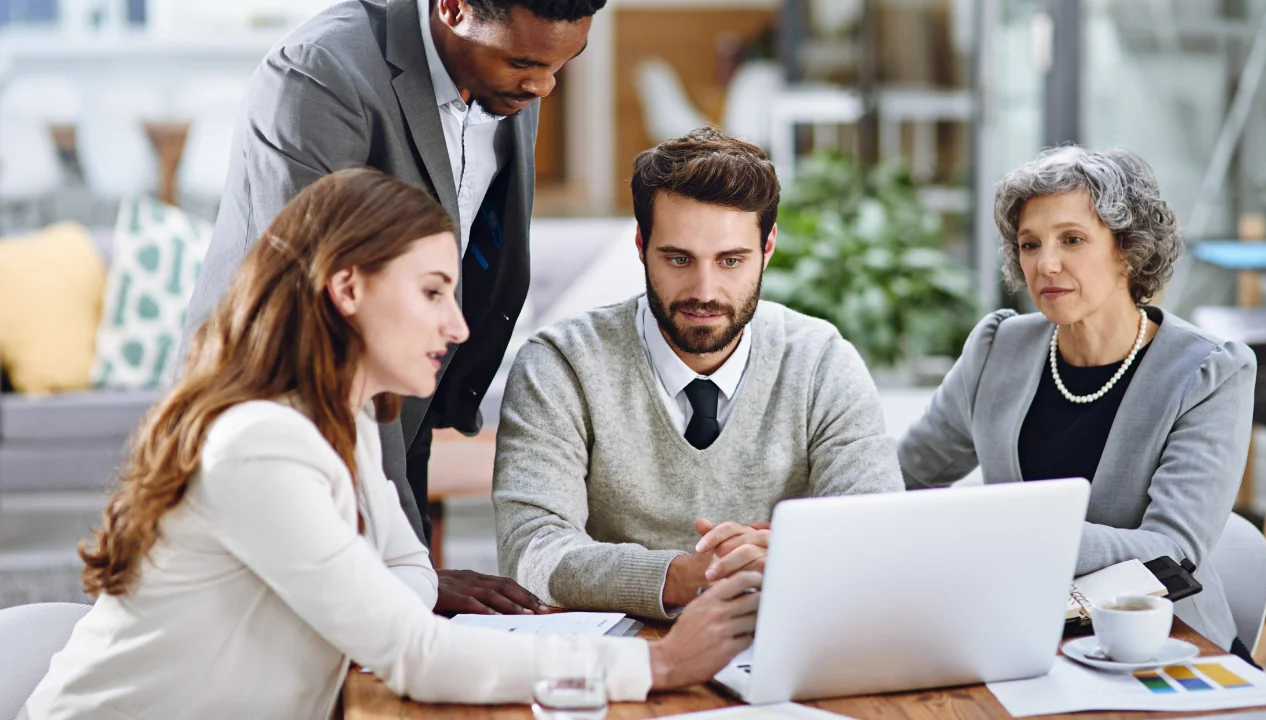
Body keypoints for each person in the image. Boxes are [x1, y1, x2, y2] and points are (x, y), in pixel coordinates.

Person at [21, 169, 761, 720]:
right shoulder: (261, 445)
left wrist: (386, 599)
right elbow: (413, 652)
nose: (459, 326)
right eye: (433, 291)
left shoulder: (344, 421)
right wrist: (654, 663)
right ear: (349, 289)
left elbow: (405, 574)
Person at [182, 0, 601, 614]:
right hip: (282, 410)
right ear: (453, 8)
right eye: (523, 62)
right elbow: (324, 323)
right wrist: (409, 572)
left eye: (565, 63)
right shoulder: (319, 75)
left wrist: (413, 570)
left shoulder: (511, 80)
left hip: (400, 403)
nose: (544, 86)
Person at [491, 128, 904, 621]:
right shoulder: (561, 363)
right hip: (620, 659)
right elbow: (532, 552)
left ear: (768, 247)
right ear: (641, 244)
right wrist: (682, 575)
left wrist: (782, 555)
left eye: (731, 261)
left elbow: (876, 536)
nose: (704, 291)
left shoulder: (821, 363)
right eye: (679, 259)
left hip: (778, 646)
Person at [896, 146, 1257, 654]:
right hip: (1023, 634)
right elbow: (900, 476)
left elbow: (1170, 553)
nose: (1045, 263)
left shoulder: (1209, 372)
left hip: (1163, 643)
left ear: (1128, 250)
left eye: (1072, 239)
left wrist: (1013, 531)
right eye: (1029, 244)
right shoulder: (998, 348)